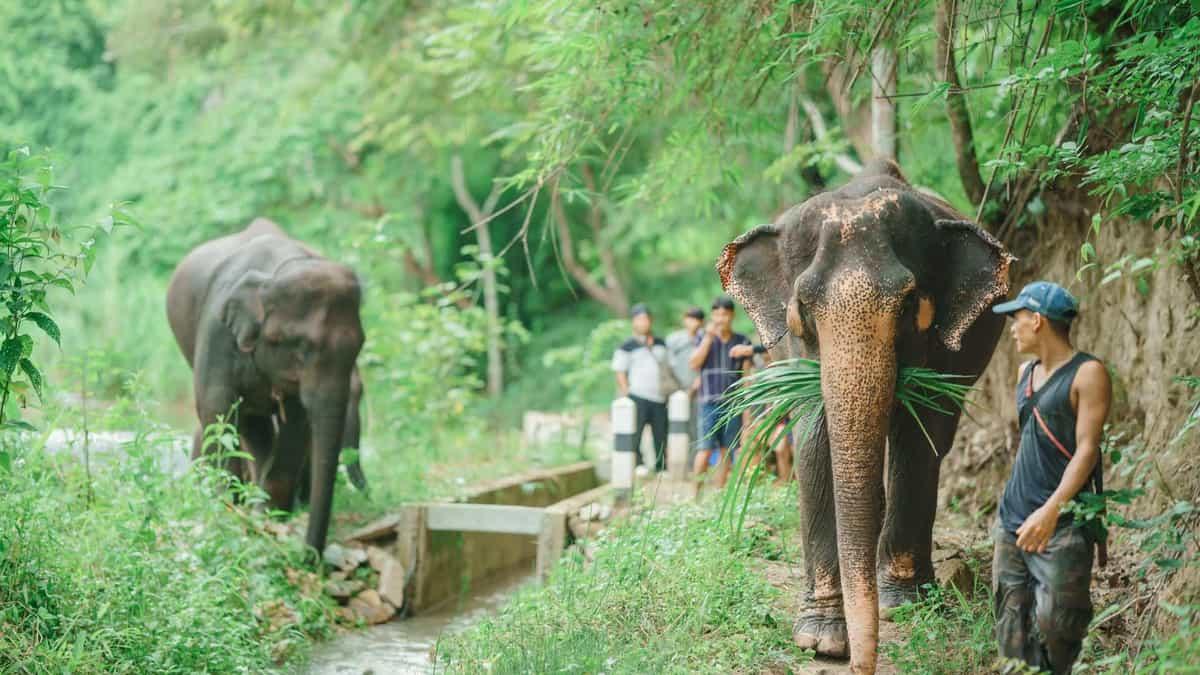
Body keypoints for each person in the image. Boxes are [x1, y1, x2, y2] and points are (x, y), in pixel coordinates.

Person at [990, 281, 1111, 675]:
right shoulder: (1024, 372)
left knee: (1058, 626)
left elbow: (1087, 450)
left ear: (1038, 321)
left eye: (1017, 319)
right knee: (1011, 630)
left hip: (1062, 523)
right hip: (1013, 519)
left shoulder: (1088, 373)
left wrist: (1050, 511)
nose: (1013, 328)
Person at [689, 295, 752, 487]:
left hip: (733, 404)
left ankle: (719, 493)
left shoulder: (742, 341)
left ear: (732, 315)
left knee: (727, 450)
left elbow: (747, 378)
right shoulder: (702, 337)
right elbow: (694, 364)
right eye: (716, 315)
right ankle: (695, 496)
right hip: (708, 403)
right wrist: (708, 338)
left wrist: (746, 411)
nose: (720, 319)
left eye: (724, 314)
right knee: (705, 449)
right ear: (712, 316)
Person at [612, 303, 670, 475]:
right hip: (637, 395)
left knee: (661, 434)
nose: (643, 322)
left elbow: (667, 367)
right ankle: (639, 464)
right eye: (639, 319)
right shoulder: (627, 345)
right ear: (634, 322)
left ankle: (661, 467)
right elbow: (620, 371)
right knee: (636, 432)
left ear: (651, 321)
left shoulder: (661, 343)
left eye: (646, 319)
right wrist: (626, 391)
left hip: (659, 396)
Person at [731, 342, 794, 485]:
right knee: (747, 449)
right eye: (764, 358)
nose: (767, 361)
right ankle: (753, 485)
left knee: (780, 447)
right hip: (757, 421)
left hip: (778, 422)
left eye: (769, 358)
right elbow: (747, 400)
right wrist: (747, 424)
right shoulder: (756, 373)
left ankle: (785, 484)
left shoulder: (782, 371)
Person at [666, 307, 705, 453]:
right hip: (676, 390)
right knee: (676, 424)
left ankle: (695, 459)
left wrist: (696, 385)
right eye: (690, 318)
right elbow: (667, 366)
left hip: (699, 390)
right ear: (684, 320)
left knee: (697, 425)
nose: (693, 322)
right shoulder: (674, 340)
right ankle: (674, 456)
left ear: (702, 322)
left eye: (696, 319)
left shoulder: (705, 339)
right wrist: (675, 388)